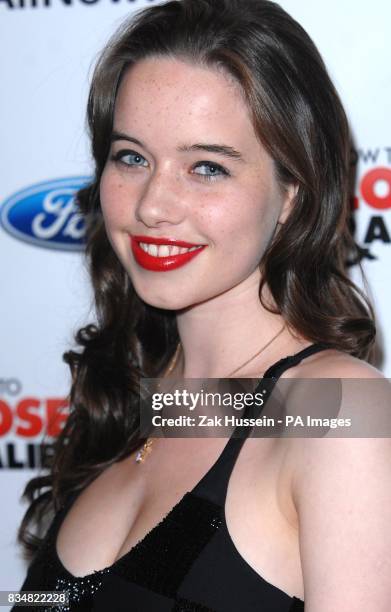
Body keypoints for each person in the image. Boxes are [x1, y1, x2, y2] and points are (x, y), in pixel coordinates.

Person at [14, 0, 391, 610]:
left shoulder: (338, 414)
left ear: (291, 192)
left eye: (207, 168)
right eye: (131, 157)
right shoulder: (140, 399)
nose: (153, 205)